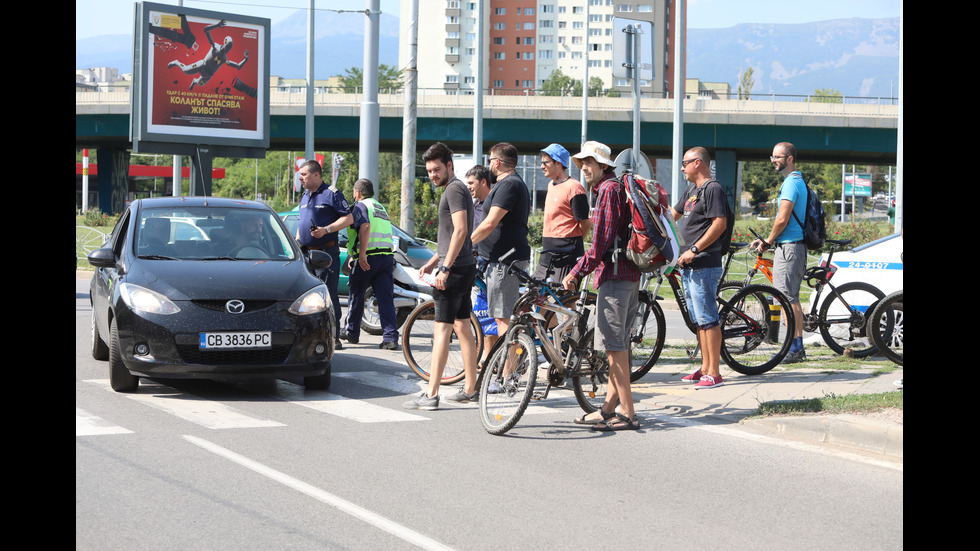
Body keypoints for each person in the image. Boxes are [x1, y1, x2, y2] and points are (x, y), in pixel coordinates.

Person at [562, 141, 641, 431]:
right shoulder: (613, 187)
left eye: (590, 163)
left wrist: (578, 271)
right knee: (617, 345)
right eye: (582, 162)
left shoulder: (608, 190)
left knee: (613, 346)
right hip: (629, 274)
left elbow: (600, 242)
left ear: (604, 166)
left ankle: (628, 413)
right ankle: (608, 408)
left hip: (616, 275)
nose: (584, 167)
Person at [403, 143, 479, 410]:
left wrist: (444, 268)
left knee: (441, 331)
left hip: (455, 270)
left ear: (450, 165)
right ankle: (471, 388)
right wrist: (433, 261)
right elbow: (450, 238)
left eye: (437, 169)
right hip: (463, 265)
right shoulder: (455, 189)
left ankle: (431, 395)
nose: (433, 174)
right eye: (429, 170)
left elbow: (460, 231)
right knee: (463, 328)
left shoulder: (455, 189)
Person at [671, 147, 729, 389]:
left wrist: (694, 250)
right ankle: (705, 367)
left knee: (708, 318)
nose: (681, 168)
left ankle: (714, 372)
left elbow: (719, 224)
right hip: (687, 263)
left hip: (703, 261)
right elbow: (671, 215)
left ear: (697, 163)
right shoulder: (691, 190)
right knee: (698, 320)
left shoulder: (713, 189)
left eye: (685, 163)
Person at [471, 142, 531, 359]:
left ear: (496, 162)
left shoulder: (509, 185)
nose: (489, 165)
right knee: (503, 316)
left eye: (490, 160)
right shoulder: (509, 184)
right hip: (501, 260)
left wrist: (466, 244)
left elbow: (490, 223)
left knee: (503, 319)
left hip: (505, 262)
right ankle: (508, 368)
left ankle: (506, 374)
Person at [751, 142, 807, 363]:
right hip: (791, 245)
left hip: (790, 246)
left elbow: (782, 218)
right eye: (771, 156)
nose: (773, 160)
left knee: (787, 297)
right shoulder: (794, 181)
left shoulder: (792, 183)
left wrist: (768, 240)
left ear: (790, 158)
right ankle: (795, 346)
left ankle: (795, 348)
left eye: (777, 156)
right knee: (788, 296)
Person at [296, 160, 353, 350]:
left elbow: (349, 217)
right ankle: (311, 335)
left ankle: (334, 336)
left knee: (328, 295)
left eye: (303, 174)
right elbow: (301, 223)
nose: (300, 177)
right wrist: (297, 243)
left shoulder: (331, 194)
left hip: (326, 253)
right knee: (306, 297)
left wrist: (326, 229)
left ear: (316, 175)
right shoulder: (305, 195)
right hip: (306, 255)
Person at [342, 178, 399, 350]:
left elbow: (365, 227)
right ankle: (390, 338)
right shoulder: (380, 207)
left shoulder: (361, 206)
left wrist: (361, 255)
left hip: (368, 259)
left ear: (358, 192)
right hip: (386, 258)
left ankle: (351, 332)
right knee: (386, 299)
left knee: (356, 294)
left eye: (354, 192)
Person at [535, 143, 591, 284]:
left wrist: (575, 243)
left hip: (567, 252)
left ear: (558, 163)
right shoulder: (550, 185)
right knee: (536, 295)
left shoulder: (574, 187)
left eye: (546, 162)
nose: (542, 166)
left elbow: (585, 223)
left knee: (565, 298)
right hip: (548, 251)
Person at [166, 20, 248, 91]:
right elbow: (206, 30)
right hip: (202, 65)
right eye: (227, 47)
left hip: (208, 75)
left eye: (229, 48)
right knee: (185, 70)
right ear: (224, 44)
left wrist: (245, 59)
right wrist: (217, 25)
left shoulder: (224, 59)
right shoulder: (215, 46)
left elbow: (238, 66)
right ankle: (176, 62)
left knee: (200, 83)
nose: (227, 50)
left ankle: (194, 81)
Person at [465, 165, 492, 229]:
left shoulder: (494, 206)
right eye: (468, 184)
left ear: (483, 182)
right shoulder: (475, 205)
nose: (468, 187)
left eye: (471, 183)